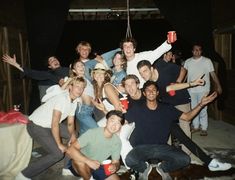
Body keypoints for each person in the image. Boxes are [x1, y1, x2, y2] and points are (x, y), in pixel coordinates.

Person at [122, 75, 232, 176]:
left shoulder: (166, 107)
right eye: (148, 90)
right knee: (129, 158)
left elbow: (187, 117)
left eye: (153, 90)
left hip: (161, 139)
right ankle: (146, 167)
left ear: (157, 93)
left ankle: (162, 168)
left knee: (184, 155)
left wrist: (201, 104)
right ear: (144, 93)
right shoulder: (134, 106)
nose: (151, 92)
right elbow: (123, 122)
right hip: (142, 145)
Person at [15, 77, 86, 180]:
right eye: (77, 87)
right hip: (36, 125)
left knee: (75, 135)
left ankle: (67, 168)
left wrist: (73, 137)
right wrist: (59, 144)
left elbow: (70, 123)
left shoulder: (74, 101)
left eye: (82, 88)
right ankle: (24, 175)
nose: (79, 90)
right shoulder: (62, 99)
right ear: (70, 87)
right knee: (57, 154)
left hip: (49, 125)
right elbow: (55, 124)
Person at [137, 59, 203, 157]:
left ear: (151, 68)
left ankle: (186, 155)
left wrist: (178, 81)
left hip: (181, 100)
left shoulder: (163, 67)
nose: (143, 75)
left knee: (185, 127)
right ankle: (166, 154)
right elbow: (164, 90)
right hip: (166, 103)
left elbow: (183, 70)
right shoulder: (149, 82)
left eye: (145, 71)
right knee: (164, 127)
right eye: (140, 73)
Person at [66, 110, 125, 180]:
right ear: (107, 121)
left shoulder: (117, 142)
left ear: (120, 127)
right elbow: (70, 150)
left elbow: (116, 162)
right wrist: (88, 161)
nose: (114, 125)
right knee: (79, 161)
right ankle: (88, 178)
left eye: (118, 123)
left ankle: (91, 176)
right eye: (112, 120)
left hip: (99, 165)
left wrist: (115, 166)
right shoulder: (92, 133)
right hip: (82, 163)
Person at [184, 43, 222, 136]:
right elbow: (185, 75)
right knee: (193, 108)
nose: (197, 51)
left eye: (199, 49)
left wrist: (219, 86)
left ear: (201, 51)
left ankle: (204, 128)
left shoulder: (207, 61)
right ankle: (196, 126)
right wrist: (181, 85)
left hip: (203, 89)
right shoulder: (187, 62)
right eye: (195, 49)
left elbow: (213, 74)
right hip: (191, 89)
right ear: (192, 51)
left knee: (203, 109)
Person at [2, 54, 69, 100]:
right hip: (54, 102)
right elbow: (33, 73)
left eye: (54, 59)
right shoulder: (49, 74)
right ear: (50, 66)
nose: (54, 60)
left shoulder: (68, 69)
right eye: (51, 61)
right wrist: (15, 64)